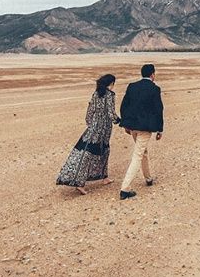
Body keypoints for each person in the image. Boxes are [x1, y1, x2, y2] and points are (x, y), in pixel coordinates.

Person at [56, 74, 119, 195]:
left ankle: (104, 177)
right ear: (110, 83)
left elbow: (90, 110)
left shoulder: (96, 93)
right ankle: (79, 182)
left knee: (92, 151)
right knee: (96, 152)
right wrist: (119, 121)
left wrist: (90, 123)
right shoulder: (110, 95)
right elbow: (111, 113)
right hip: (104, 128)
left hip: (94, 126)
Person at [117, 63, 164, 200]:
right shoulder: (155, 89)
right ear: (152, 74)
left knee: (142, 152)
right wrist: (160, 129)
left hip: (133, 127)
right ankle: (125, 189)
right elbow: (158, 110)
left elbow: (124, 106)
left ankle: (148, 178)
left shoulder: (132, 87)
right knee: (138, 154)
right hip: (145, 128)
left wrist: (125, 124)